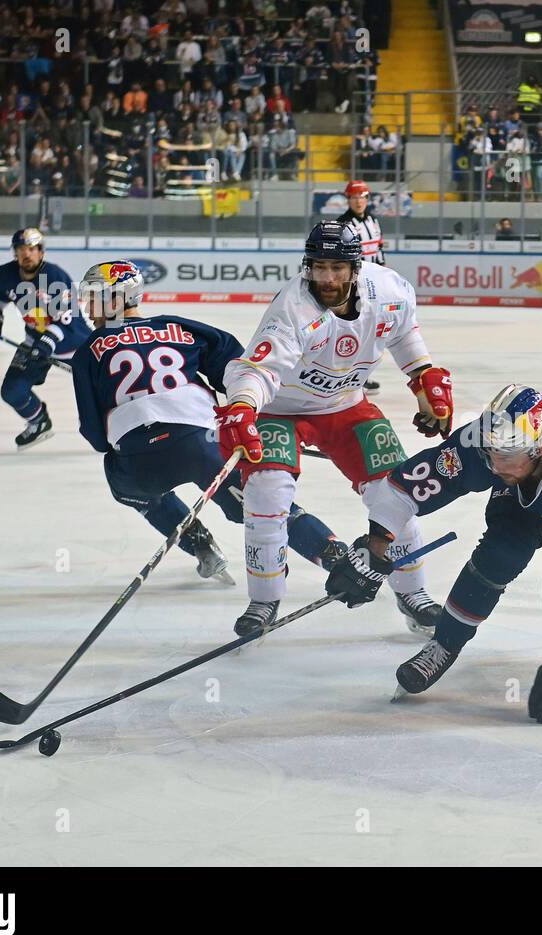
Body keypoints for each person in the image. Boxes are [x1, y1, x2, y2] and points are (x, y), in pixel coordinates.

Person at [325, 382, 542, 722]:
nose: (495, 467)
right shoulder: (488, 440)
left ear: (539, 449)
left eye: (506, 457)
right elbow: (409, 486)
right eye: (491, 454)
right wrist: (375, 548)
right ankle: (445, 643)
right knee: (503, 551)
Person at [216, 222, 455, 639]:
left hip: (346, 406)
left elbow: (402, 333)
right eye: (319, 267)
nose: (326, 278)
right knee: (266, 494)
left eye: (337, 268)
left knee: (396, 491)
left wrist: (424, 376)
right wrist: (241, 406)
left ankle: (412, 593)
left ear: (356, 268)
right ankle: (264, 597)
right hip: (280, 410)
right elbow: (257, 369)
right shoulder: (292, 308)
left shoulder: (391, 290)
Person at [71, 260, 345, 584]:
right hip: (201, 443)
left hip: (138, 461)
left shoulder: (89, 351)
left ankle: (201, 547)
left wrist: (122, 445)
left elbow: (94, 432)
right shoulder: (179, 326)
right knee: (263, 505)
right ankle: (335, 556)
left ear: (116, 298)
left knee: (127, 487)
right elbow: (237, 369)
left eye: (92, 296)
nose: (86, 306)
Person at [0, 228, 92, 449]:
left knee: (96, 397)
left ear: (41, 252)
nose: (26, 254)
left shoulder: (56, 277)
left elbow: (66, 320)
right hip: (35, 342)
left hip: (74, 344)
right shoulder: (6, 274)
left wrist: (46, 344)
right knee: (12, 391)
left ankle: (110, 430)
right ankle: (39, 423)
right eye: (21, 249)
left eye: (31, 249)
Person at [336, 180, 385, 393]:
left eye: (362, 197)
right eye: (354, 197)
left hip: (374, 286)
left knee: (371, 332)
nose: (358, 201)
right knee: (353, 331)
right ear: (348, 200)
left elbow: (379, 249)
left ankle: (360, 376)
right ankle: (345, 376)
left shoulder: (373, 220)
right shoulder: (343, 223)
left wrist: (384, 276)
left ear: (367, 199)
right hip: (355, 287)